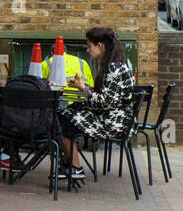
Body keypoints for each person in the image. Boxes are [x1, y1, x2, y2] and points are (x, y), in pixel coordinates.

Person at [57, 27, 136, 179]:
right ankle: (69, 165)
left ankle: (74, 167)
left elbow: (103, 102)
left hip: (111, 122)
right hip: (118, 119)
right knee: (65, 113)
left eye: (89, 46)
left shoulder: (113, 68)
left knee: (62, 120)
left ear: (99, 46)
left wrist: (83, 88)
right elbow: (106, 98)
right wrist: (84, 87)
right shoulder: (118, 65)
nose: (87, 50)